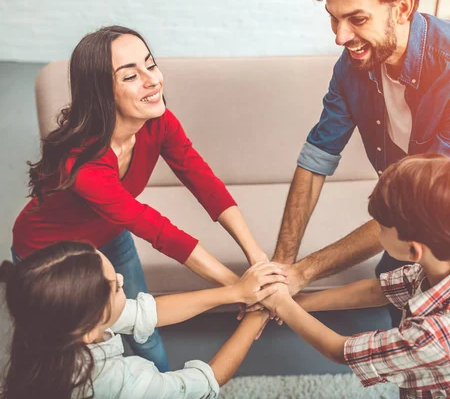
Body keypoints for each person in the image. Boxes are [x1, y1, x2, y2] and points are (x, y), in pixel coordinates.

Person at [267, 0, 450, 326]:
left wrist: (303, 273)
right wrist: (281, 267)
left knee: (437, 318)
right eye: (333, 18)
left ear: (403, 9)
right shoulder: (352, 64)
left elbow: (424, 203)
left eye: (357, 19)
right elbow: (316, 157)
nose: (340, 36)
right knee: (396, 289)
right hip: (415, 198)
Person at [11, 26, 270, 371]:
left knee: (143, 328)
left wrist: (257, 259)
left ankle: (161, 385)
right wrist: (240, 288)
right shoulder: (84, 161)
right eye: (131, 75)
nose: (152, 80)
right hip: (53, 254)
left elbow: (204, 182)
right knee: (62, 352)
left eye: (151, 65)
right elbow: (159, 231)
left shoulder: (157, 121)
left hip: (110, 233)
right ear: (102, 91)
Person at [261, 154, 450, 398]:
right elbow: (377, 291)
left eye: (382, 228)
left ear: (413, 250)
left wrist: (281, 305)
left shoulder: (434, 337)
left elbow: (339, 349)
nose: (377, 233)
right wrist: (294, 300)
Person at [0, 241, 286, 399]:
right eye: (116, 286)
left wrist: (235, 292)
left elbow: (152, 312)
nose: (122, 279)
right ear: (89, 329)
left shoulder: (49, 329)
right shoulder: (127, 383)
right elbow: (206, 380)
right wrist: (256, 316)